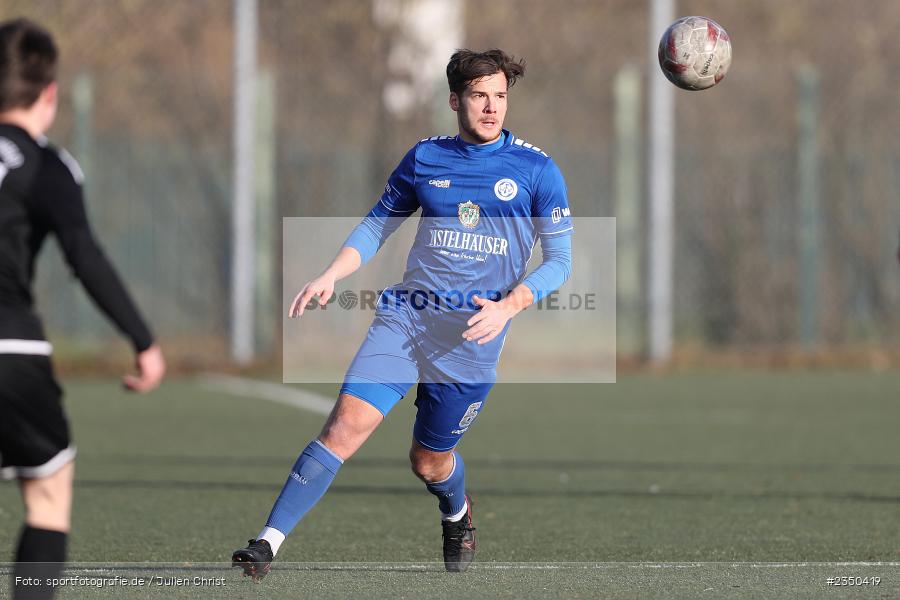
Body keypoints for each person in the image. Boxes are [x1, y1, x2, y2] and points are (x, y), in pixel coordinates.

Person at [232, 48, 573, 579]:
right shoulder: (425, 158)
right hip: (407, 320)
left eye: (500, 96)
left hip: (471, 338)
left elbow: (560, 261)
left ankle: (457, 513)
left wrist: (508, 307)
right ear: (455, 100)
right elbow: (377, 225)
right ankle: (266, 544)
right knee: (344, 426)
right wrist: (332, 274)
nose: (491, 107)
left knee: (427, 462)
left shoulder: (536, 170)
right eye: (479, 96)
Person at [0, 18, 165, 600]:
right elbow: (84, 257)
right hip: (10, 348)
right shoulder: (47, 165)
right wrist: (143, 339)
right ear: (49, 93)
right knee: (48, 495)